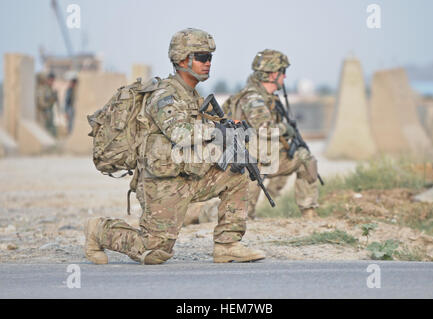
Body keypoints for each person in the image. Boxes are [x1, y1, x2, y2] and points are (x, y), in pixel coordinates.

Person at [84, 28, 265, 265]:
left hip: (191, 175)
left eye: (210, 57)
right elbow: (179, 132)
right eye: (201, 57)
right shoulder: (165, 95)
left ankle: (227, 245)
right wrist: (216, 131)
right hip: (163, 183)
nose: (208, 62)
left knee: (238, 171)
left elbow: (203, 132)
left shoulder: (192, 96)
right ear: (182, 59)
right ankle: (100, 230)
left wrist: (230, 128)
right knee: (154, 252)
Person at [223, 49, 320, 219]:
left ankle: (309, 212)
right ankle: (199, 215)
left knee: (305, 158)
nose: (285, 77)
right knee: (235, 216)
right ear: (273, 74)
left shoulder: (268, 98)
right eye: (283, 72)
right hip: (242, 163)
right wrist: (285, 129)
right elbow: (265, 128)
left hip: (261, 159)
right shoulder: (252, 98)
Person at [35, 72, 58, 137]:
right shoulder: (43, 89)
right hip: (44, 113)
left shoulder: (50, 89)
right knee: (44, 130)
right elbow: (41, 103)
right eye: (51, 80)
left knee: (50, 129)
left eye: (53, 80)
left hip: (49, 111)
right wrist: (49, 102)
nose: (52, 82)